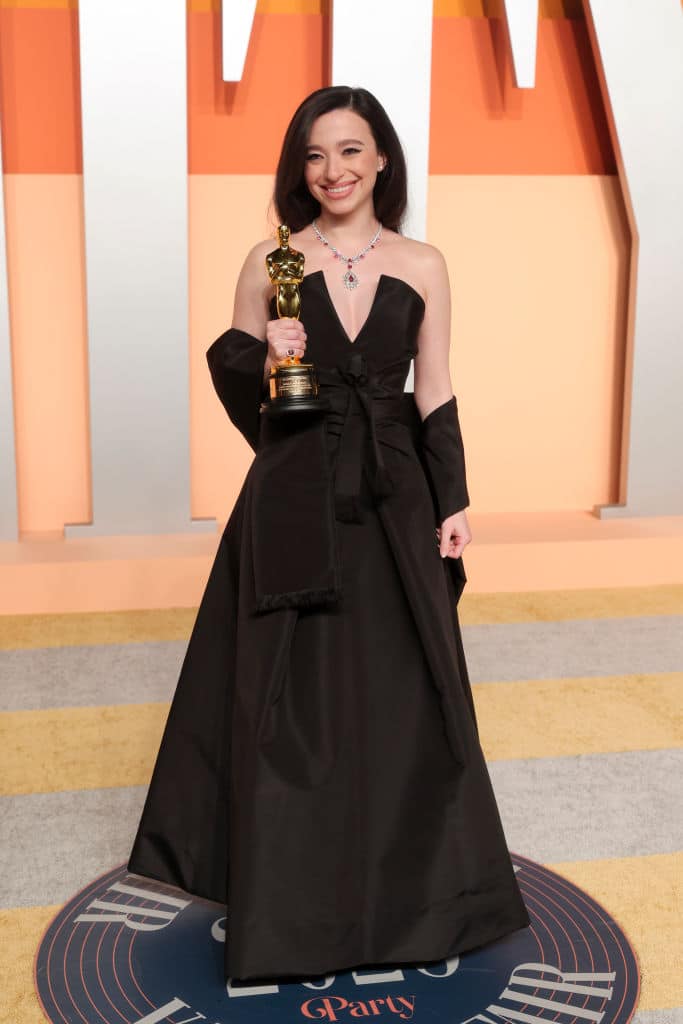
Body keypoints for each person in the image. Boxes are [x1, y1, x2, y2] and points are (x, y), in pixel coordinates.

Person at [128, 85, 530, 982]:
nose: (333, 171)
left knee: (403, 690)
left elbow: (435, 388)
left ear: (381, 158)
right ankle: (290, 895)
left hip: (396, 496)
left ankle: (418, 890)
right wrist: (261, 359)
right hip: (294, 488)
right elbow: (237, 383)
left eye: (350, 151)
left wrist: (453, 499)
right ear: (297, 167)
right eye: (315, 155)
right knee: (284, 698)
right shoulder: (268, 260)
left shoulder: (423, 262)